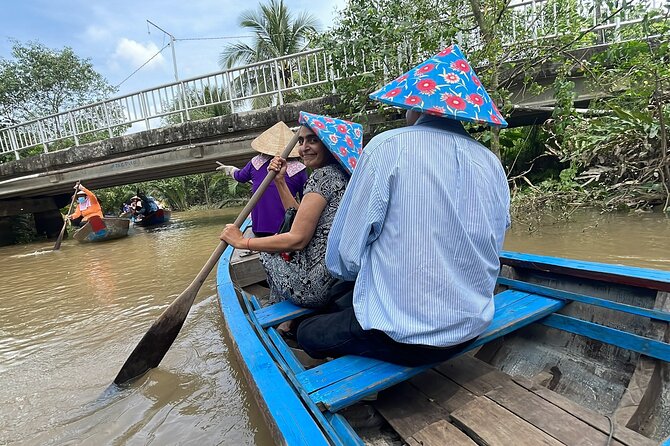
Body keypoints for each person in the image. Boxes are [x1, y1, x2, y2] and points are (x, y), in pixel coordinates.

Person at [296, 44, 512, 367]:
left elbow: (343, 257)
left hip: (405, 338)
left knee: (306, 331)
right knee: (346, 298)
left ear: (417, 108)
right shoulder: (491, 163)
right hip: (472, 326)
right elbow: (493, 246)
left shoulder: (387, 148)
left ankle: (366, 398)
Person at [220, 111, 363, 308]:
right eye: (302, 141)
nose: (304, 148)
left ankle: (281, 315)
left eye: (313, 140)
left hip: (315, 287)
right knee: (278, 251)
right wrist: (280, 181)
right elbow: (300, 217)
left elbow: (297, 239)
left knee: (268, 254)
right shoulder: (344, 175)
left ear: (329, 144)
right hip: (338, 279)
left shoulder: (321, 178)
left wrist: (243, 242)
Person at [216, 121, 308, 237]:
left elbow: (239, 176)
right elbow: (306, 199)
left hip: (259, 228)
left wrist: (230, 170)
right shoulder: (300, 169)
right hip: (287, 229)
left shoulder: (256, 162)